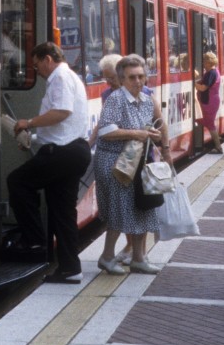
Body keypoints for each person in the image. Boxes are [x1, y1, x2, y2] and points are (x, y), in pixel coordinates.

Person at [9, 42, 91, 284]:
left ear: (47, 59)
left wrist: (29, 123)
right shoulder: (69, 77)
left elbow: (61, 112)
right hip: (73, 150)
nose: (38, 71)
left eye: (37, 66)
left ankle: (34, 239)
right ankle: (70, 268)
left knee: (17, 182)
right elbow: (62, 125)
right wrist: (33, 139)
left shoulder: (60, 77)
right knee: (62, 213)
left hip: (63, 153)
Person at [94, 54, 171, 276]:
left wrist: (154, 136)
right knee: (121, 209)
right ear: (122, 79)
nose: (137, 81)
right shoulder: (116, 99)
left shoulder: (147, 101)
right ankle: (108, 257)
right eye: (132, 77)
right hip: (116, 164)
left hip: (137, 162)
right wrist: (138, 133)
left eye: (141, 76)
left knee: (142, 208)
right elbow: (106, 130)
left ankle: (138, 258)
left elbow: (151, 128)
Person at [196, 51, 224, 153]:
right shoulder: (214, 71)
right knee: (207, 122)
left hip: (209, 101)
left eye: (204, 61)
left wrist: (192, 84)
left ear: (209, 62)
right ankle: (217, 145)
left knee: (209, 124)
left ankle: (218, 147)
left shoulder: (211, 73)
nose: (203, 63)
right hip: (212, 100)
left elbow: (203, 88)